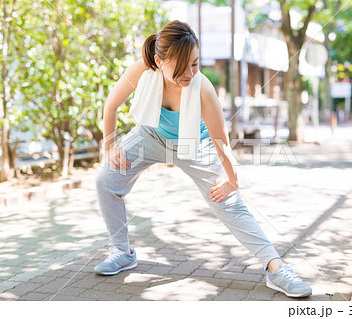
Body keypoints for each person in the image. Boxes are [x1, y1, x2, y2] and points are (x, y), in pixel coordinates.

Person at [94, 20, 312, 298]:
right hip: (150, 134)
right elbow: (111, 105)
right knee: (106, 180)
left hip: (194, 142)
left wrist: (232, 181)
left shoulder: (203, 88)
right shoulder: (141, 70)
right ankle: (122, 251)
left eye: (195, 64)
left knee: (229, 203)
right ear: (159, 61)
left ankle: (276, 267)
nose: (190, 73)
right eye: (181, 66)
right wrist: (110, 146)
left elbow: (221, 141)